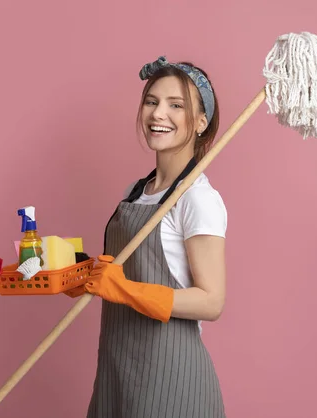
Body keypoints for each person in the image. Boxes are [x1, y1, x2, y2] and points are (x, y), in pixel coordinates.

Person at [77, 56, 228, 418]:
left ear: (201, 122)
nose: (159, 114)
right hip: (118, 369)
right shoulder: (136, 191)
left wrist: (124, 290)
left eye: (177, 106)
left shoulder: (197, 198)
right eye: (151, 101)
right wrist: (81, 275)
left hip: (172, 379)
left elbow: (211, 302)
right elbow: (121, 272)